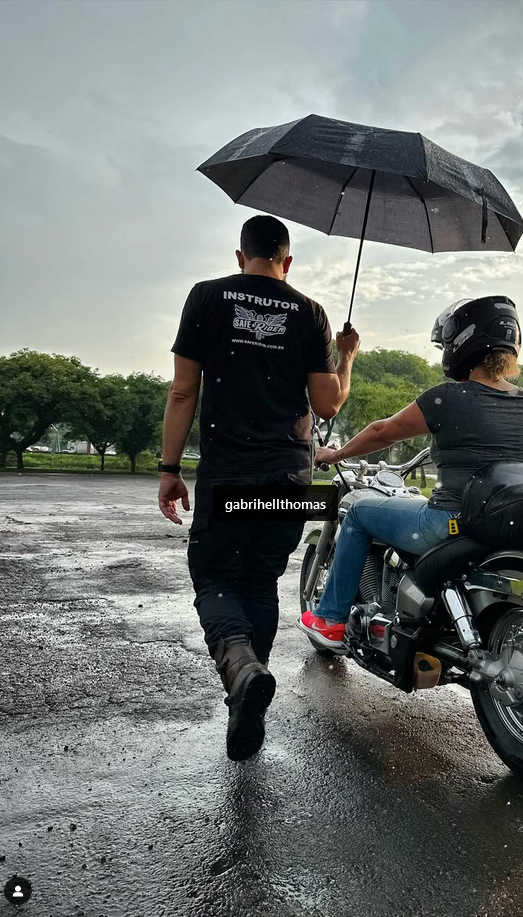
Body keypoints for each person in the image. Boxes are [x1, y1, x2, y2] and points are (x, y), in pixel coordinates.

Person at [158, 215, 360, 760]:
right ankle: (247, 692)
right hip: (289, 477)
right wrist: (347, 356)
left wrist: (169, 469)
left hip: (229, 473)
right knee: (262, 583)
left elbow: (182, 394)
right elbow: (327, 404)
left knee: (216, 577)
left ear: (239, 256)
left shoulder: (206, 297)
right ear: (287, 261)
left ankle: (242, 670)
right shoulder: (311, 312)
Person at [298, 296, 523, 651]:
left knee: (360, 511)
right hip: (505, 522)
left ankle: (331, 619)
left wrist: (336, 452)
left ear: (462, 344)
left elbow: (383, 432)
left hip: (450, 521)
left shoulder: (449, 397)